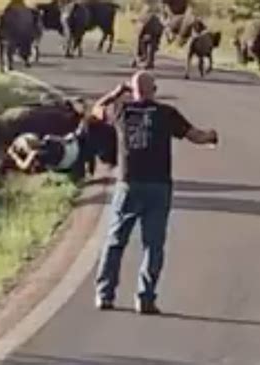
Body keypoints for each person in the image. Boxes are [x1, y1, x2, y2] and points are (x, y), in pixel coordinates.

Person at [92, 70, 218, 314]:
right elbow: (197, 136)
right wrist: (212, 136)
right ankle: (145, 298)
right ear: (154, 91)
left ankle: (104, 294)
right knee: (154, 245)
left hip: (129, 183)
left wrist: (117, 92)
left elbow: (97, 109)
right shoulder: (166, 113)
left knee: (115, 241)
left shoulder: (121, 110)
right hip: (158, 185)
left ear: (133, 90)